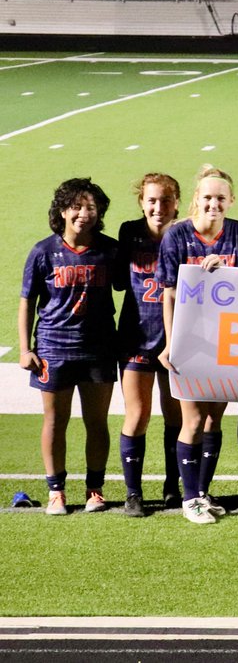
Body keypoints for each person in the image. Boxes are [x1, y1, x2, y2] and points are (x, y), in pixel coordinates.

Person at [158, 166, 238, 524]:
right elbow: (168, 294)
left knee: (215, 418)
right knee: (194, 419)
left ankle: (201, 492)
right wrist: (171, 344)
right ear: (195, 200)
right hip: (191, 339)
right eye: (207, 197)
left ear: (230, 201)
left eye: (220, 198)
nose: (213, 204)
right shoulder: (177, 237)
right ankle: (190, 500)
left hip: (228, 340)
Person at [19, 178, 122, 516]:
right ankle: (55, 491)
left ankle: (95, 489)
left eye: (91, 207)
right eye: (76, 206)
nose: (83, 213)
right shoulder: (43, 251)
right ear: (62, 211)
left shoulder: (109, 250)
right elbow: (27, 300)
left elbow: (131, 284)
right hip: (53, 347)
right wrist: (25, 347)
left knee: (97, 421)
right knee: (55, 421)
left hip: (99, 348)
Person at [116, 173, 183, 517]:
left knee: (176, 415)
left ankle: (173, 485)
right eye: (152, 200)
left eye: (166, 200)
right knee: (138, 413)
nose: (159, 207)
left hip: (176, 339)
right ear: (142, 202)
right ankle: (133, 492)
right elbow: (116, 280)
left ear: (177, 203)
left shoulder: (186, 234)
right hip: (137, 336)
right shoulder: (129, 232)